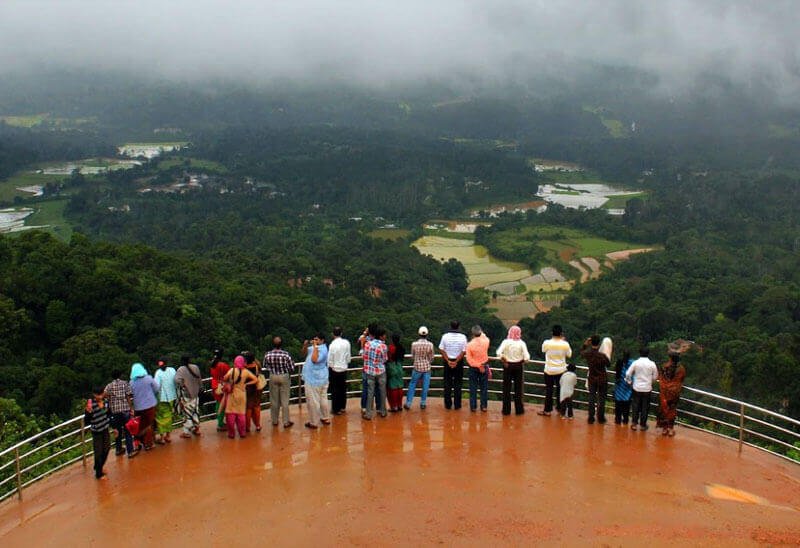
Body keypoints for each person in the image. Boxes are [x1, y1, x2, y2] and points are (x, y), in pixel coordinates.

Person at [497, 325, 530, 415]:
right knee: (518, 389)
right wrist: (521, 361)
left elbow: (498, 353)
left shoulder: (506, 342)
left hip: (507, 366)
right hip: (518, 366)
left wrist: (504, 360)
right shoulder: (522, 343)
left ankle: (506, 410)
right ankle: (519, 410)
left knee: (506, 389)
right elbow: (527, 358)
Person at [263, 337, 295, 428]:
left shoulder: (267, 354)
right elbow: (292, 368)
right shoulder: (286, 355)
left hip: (273, 376)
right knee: (284, 400)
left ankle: (275, 421)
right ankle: (286, 422)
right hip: (284, 376)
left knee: (274, 400)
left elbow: (265, 365)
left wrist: (272, 369)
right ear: (281, 344)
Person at [222, 355, 258, 438]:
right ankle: (242, 433)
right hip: (242, 393)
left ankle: (231, 433)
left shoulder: (231, 370)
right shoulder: (246, 372)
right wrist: (246, 384)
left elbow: (225, 378)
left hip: (232, 394)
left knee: (230, 413)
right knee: (241, 414)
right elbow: (256, 379)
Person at [540, 325, 572, 416]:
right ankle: (560, 408)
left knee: (549, 390)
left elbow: (543, 350)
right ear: (561, 334)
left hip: (549, 370)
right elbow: (569, 355)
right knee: (560, 390)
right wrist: (564, 341)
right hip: (561, 370)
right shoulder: (565, 344)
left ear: (552, 333)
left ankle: (547, 410)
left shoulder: (547, 343)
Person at [104, 370, 136, 458]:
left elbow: (105, 395)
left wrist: (110, 402)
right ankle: (130, 451)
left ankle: (118, 449)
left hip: (115, 412)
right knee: (128, 431)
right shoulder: (125, 383)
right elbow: (128, 396)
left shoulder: (109, 386)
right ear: (120, 375)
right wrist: (131, 408)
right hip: (125, 410)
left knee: (117, 431)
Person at [625, 348, 659, 431]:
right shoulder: (652, 364)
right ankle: (643, 425)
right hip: (647, 389)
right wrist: (650, 382)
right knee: (645, 407)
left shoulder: (636, 363)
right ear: (648, 354)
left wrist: (629, 382)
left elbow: (628, 373)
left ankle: (634, 424)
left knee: (635, 406)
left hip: (636, 388)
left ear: (640, 353)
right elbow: (655, 376)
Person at [302, 333, 330, 429]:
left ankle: (313, 422)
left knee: (313, 402)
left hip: (314, 380)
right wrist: (306, 345)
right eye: (314, 339)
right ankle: (325, 417)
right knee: (323, 398)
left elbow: (314, 359)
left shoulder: (322, 349)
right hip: (320, 378)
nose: (315, 341)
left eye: (317, 339)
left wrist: (314, 347)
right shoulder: (316, 348)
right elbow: (304, 353)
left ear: (322, 341)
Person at [581, 335, 610, 424]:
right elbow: (608, 364)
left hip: (592, 378)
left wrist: (585, 344)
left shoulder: (588, 354)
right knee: (601, 398)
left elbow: (581, 353)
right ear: (599, 343)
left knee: (591, 397)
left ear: (591, 342)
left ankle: (591, 417)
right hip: (602, 379)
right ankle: (600, 417)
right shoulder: (602, 356)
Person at [438, 320, 467, 410]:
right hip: (458, 362)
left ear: (450, 326)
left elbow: (441, 349)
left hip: (448, 362)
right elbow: (464, 351)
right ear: (458, 326)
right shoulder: (463, 337)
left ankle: (448, 405)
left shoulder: (445, 336)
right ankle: (457, 405)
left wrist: (448, 361)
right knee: (458, 384)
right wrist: (456, 361)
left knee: (447, 383)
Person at [130, 362, 159, 451]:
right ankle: (149, 444)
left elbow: (130, 394)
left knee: (140, 425)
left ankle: (139, 442)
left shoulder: (131, 382)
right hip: (150, 406)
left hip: (138, 407)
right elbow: (157, 388)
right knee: (149, 424)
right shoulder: (149, 379)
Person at [85, 387, 111, 479]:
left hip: (105, 428)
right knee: (98, 452)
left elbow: (108, 414)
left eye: (101, 394)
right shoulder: (91, 404)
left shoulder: (106, 401)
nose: (100, 397)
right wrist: (89, 413)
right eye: (97, 395)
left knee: (107, 448)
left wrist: (114, 427)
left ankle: (99, 466)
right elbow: (87, 420)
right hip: (96, 431)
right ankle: (99, 474)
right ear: (94, 394)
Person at [405, 326, 434, 410]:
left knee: (412, 384)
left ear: (419, 334)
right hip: (427, 368)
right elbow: (431, 358)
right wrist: (427, 361)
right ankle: (423, 403)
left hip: (417, 367)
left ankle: (408, 403)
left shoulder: (414, 344)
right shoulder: (430, 345)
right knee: (425, 386)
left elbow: (412, 356)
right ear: (427, 334)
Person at [362, 326, 388, 420]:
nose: (385, 336)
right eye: (384, 335)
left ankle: (368, 414)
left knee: (370, 392)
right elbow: (385, 359)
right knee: (382, 391)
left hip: (369, 371)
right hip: (380, 371)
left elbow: (364, 356)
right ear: (380, 336)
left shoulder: (367, 344)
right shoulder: (383, 346)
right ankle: (383, 411)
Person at [657, 353, 686, 436]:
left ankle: (664, 429)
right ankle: (671, 428)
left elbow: (661, 377)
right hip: (674, 393)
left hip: (665, 392)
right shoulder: (681, 369)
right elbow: (682, 379)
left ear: (670, 358)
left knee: (664, 409)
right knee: (672, 409)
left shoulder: (664, 366)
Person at [174, 355, 203, 439]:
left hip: (187, 394)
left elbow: (176, 380)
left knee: (187, 413)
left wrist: (183, 384)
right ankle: (196, 429)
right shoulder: (195, 367)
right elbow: (199, 379)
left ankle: (186, 432)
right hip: (196, 393)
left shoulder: (181, 369)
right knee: (195, 411)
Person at [327, 326, 352, 415]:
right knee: (342, 389)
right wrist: (345, 363)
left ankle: (335, 409)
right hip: (343, 369)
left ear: (333, 334)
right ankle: (342, 407)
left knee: (335, 390)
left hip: (334, 369)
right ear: (341, 333)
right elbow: (348, 357)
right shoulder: (346, 343)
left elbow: (330, 359)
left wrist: (331, 367)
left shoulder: (332, 345)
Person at [465, 325, 490, 412]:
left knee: (473, 388)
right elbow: (484, 335)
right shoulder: (486, 341)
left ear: (473, 333)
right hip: (484, 366)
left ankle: (473, 406)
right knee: (484, 387)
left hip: (473, 368)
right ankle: (484, 406)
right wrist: (481, 366)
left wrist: (477, 365)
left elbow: (469, 359)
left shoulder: (469, 345)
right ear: (480, 332)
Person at [153, 357, 177, 444]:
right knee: (169, 416)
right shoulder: (172, 370)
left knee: (160, 417)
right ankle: (168, 436)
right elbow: (175, 382)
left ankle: (162, 437)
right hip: (172, 397)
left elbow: (156, 387)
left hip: (162, 398)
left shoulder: (158, 373)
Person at [209, 349, 231, 432]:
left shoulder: (212, 364)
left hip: (215, 385)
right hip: (221, 386)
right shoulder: (223, 365)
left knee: (218, 402)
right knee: (223, 403)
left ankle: (220, 421)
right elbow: (229, 374)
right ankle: (221, 424)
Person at [243, 351, 263, 433]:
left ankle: (247, 427)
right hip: (257, 388)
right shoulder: (256, 365)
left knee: (248, 408)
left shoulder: (244, 367)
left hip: (247, 388)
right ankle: (258, 425)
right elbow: (260, 370)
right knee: (257, 406)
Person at [386, 334, 405, 412]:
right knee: (399, 387)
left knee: (393, 388)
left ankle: (394, 407)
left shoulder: (391, 348)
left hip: (392, 367)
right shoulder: (402, 348)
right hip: (399, 367)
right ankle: (400, 405)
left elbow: (388, 357)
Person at [614, 352, 633, 425]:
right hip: (627, 390)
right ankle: (625, 420)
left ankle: (617, 419)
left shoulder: (619, 363)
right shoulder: (631, 364)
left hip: (619, 388)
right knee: (626, 406)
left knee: (618, 405)